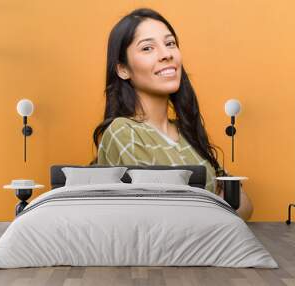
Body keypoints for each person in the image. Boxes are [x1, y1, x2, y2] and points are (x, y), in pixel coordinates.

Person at [90, 8, 253, 220]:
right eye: (148, 48)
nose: (167, 54)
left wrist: (212, 202)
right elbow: (159, 214)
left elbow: (244, 206)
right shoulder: (124, 132)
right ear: (123, 69)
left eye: (170, 43)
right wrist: (215, 201)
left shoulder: (186, 132)